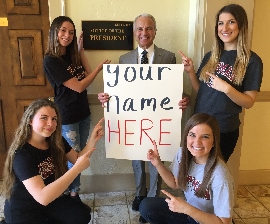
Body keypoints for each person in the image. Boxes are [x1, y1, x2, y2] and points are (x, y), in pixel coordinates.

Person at [98, 13, 189, 223]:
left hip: (159, 118)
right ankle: (140, 193)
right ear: (134, 32)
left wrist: (181, 100)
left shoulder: (168, 57)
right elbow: (119, 91)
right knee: (136, 157)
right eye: (140, 29)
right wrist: (107, 97)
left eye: (148, 28)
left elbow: (174, 89)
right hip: (133, 117)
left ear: (155, 31)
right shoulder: (124, 59)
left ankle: (152, 199)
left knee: (158, 158)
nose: (144, 33)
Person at [179, 4, 263, 162]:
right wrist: (190, 71)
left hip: (223, 130)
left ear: (241, 25)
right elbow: (201, 91)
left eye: (231, 22)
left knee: (212, 177)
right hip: (197, 126)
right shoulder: (211, 56)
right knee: (193, 174)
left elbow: (249, 102)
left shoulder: (252, 61)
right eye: (220, 23)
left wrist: (226, 88)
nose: (224, 27)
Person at [1, 98, 104, 224]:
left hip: (50, 200)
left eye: (54, 119)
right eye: (44, 118)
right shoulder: (22, 155)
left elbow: (77, 159)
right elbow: (42, 197)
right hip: (25, 210)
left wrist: (93, 139)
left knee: (81, 215)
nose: (50, 123)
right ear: (30, 120)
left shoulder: (56, 141)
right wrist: (77, 168)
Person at [43, 16, 110, 199]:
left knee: (82, 155)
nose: (67, 35)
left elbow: (86, 77)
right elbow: (79, 86)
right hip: (67, 116)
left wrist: (80, 52)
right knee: (73, 158)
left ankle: (74, 191)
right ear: (55, 32)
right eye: (63, 30)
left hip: (83, 113)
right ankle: (71, 194)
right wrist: (99, 68)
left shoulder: (71, 56)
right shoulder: (51, 61)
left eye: (71, 32)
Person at [139, 113, 234, 224]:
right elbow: (175, 184)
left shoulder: (221, 176)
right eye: (192, 135)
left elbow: (224, 223)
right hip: (190, 215)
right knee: (147, 206)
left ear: (214, 142)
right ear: (186, 137)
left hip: (208, 221)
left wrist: (186, 209)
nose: (197, 142)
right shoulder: (183, 154)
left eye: (205, 136)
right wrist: (158, 163)